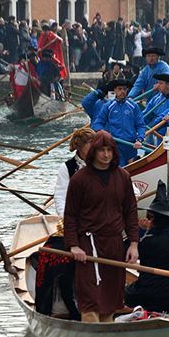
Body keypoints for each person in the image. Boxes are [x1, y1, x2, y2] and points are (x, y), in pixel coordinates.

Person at [63, 131, 140, 323]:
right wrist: (73, 245)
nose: (106, 155)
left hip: (114, 244)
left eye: (109, 150)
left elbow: (130, 212)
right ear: (93, 152)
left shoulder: (123, 177)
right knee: (90, 299)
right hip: (88, 246)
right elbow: (70, 215)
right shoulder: (79, 179)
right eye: (101, 150)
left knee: (111, 300)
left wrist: (133, 243)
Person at [124, 180, 169, 314]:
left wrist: (140, 231)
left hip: (151, 294)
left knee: (124, 293)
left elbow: (127, 254)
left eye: (149, 217)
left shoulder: (149, 241)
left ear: (154, 220)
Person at [91, 79, 146, 166]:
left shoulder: (134, 106)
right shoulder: (108, 106)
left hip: (131, 145)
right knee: (120, 169)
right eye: (120, 89)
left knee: (133, 169)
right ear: (115, 90)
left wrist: (140, 139)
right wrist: (104, 134)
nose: (122, 92)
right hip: (115, 145)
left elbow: (141, 125)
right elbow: (97, 124)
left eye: (124, 89)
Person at [54, 127, 97, 217]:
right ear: (80, 146)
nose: (94, 146)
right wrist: (65, 218)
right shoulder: (67, 168)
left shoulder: (104, 163)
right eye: (90, 142)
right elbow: (61, 196)